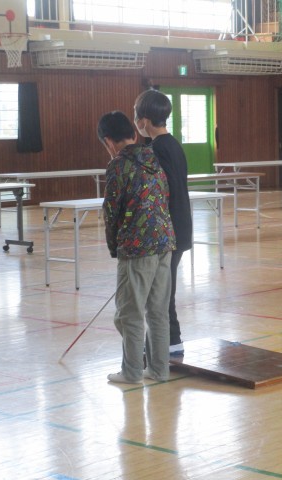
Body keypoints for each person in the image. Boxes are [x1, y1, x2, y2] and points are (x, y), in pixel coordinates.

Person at [99, 111, 176, 384]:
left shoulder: (118, 165)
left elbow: (111, 212)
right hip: (164, 242)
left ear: (109, 142)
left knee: (129, 314)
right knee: (158, 312)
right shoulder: (154, 157)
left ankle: (131, 372)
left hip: (136, 247)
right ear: (133, 133)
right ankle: (159, 369)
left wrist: (114, 248)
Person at [134, 89, 193, 356]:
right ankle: (171, 340)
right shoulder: (173, 144)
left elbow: (158, 193)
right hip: (177, 226)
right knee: (163, 288)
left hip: (167, 229)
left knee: (159, 291)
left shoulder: (156, 149)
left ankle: (168, 342)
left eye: (136, 116)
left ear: (144, 120)